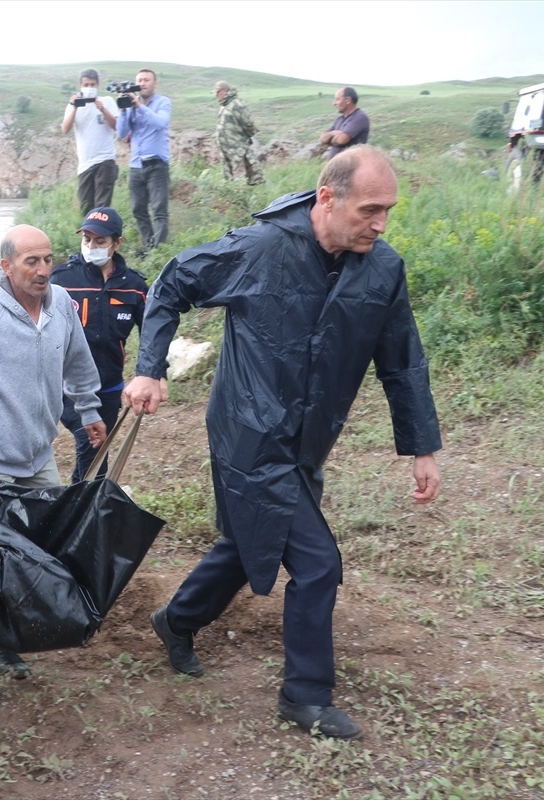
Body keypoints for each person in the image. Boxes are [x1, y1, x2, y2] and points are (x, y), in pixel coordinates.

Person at [124, 146, 442, 740]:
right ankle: (305, 696)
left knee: (253, 540)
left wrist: (422, 448)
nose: (380, 224)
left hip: (310, 438)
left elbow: (403, 361)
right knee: (318, 564)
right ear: (328, 198)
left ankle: (177, 619)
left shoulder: (382, 269)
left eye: (388, 211)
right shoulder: (261, 248)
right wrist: (150, 368)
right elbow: (171, 283)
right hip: (247, 433)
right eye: (370, 210)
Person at [0, 224, 105, 679]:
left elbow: (77, 360)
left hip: (38, 454)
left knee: (45, 541)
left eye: (47, 259)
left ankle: (20, 625)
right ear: (6, 266)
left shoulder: (61, 305)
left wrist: (88, 409)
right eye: (31, 261)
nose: (42, 270)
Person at [50, 207, 148, 482]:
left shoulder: (134, 286)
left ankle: (81, 500)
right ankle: (85, 503)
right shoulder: (61, 280)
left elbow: (150, 333)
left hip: (108, 387)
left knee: (96, 452)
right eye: (87, 239)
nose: (91, 246)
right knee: (91, 443)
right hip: (68, 387)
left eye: (100, 241)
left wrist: (150, 373)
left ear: (117, 244)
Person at [116, 68, 172, 254]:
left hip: (157, 165)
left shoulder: (163, 102)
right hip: (136, 165)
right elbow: (121, 133)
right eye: (139, 80)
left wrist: (139, 106)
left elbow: (160, 123)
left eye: (146, 80)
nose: (142, 83)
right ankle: (149, 249)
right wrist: (124, 110)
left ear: (154, 83)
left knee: (159, 210)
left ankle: (159, 252)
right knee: (138, 210)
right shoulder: (131, 106)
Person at [61, 68, 120, 215]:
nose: (89, 88)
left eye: (92, 85)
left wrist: (103, 110)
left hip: (105, 159)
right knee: (86, 208)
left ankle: (103, 230)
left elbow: (116, 126)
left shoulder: (107, 101)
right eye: (86, 85)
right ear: (80, 86)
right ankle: (88, 230)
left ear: (98, 85)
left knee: (102, 207)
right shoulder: (73, 106)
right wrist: (74, 107)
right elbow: (65, 129)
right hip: (85, 164)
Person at [213, 80, 264, 186]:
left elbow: (248, 124)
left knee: (240, 176)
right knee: (228, 177)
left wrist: (247, 136)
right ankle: (230, 193)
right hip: (226, 149)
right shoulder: (224, 106)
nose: (216, 95)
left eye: (217, 92)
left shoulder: (236, 105)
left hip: (237, 149)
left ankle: (242, 193)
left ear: (224, 91)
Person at [319, 87, 370, 160]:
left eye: (337, 99)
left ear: (348, 100)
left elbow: (341, 140)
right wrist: (334, 133)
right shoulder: (340, 119)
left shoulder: (359, 117)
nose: (334, 103)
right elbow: (322, 139)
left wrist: (331, 139)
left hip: (350, 165)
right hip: (336, 164)